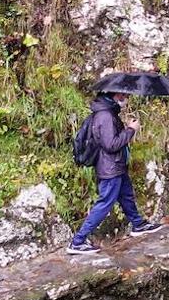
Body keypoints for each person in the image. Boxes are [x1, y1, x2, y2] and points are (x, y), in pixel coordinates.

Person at [67, 92, 163, 255]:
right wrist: (131, 131)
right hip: (110, 169)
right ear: (113, 95)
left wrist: (123, 128)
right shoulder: (105, 116)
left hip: (116, 166)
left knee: (126, 196)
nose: (126, 96)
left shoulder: (108, 113)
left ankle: (138, 225)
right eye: (123, 94)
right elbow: (111, 145)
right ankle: (77, 242)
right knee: (105, 203)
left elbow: (110, 138)